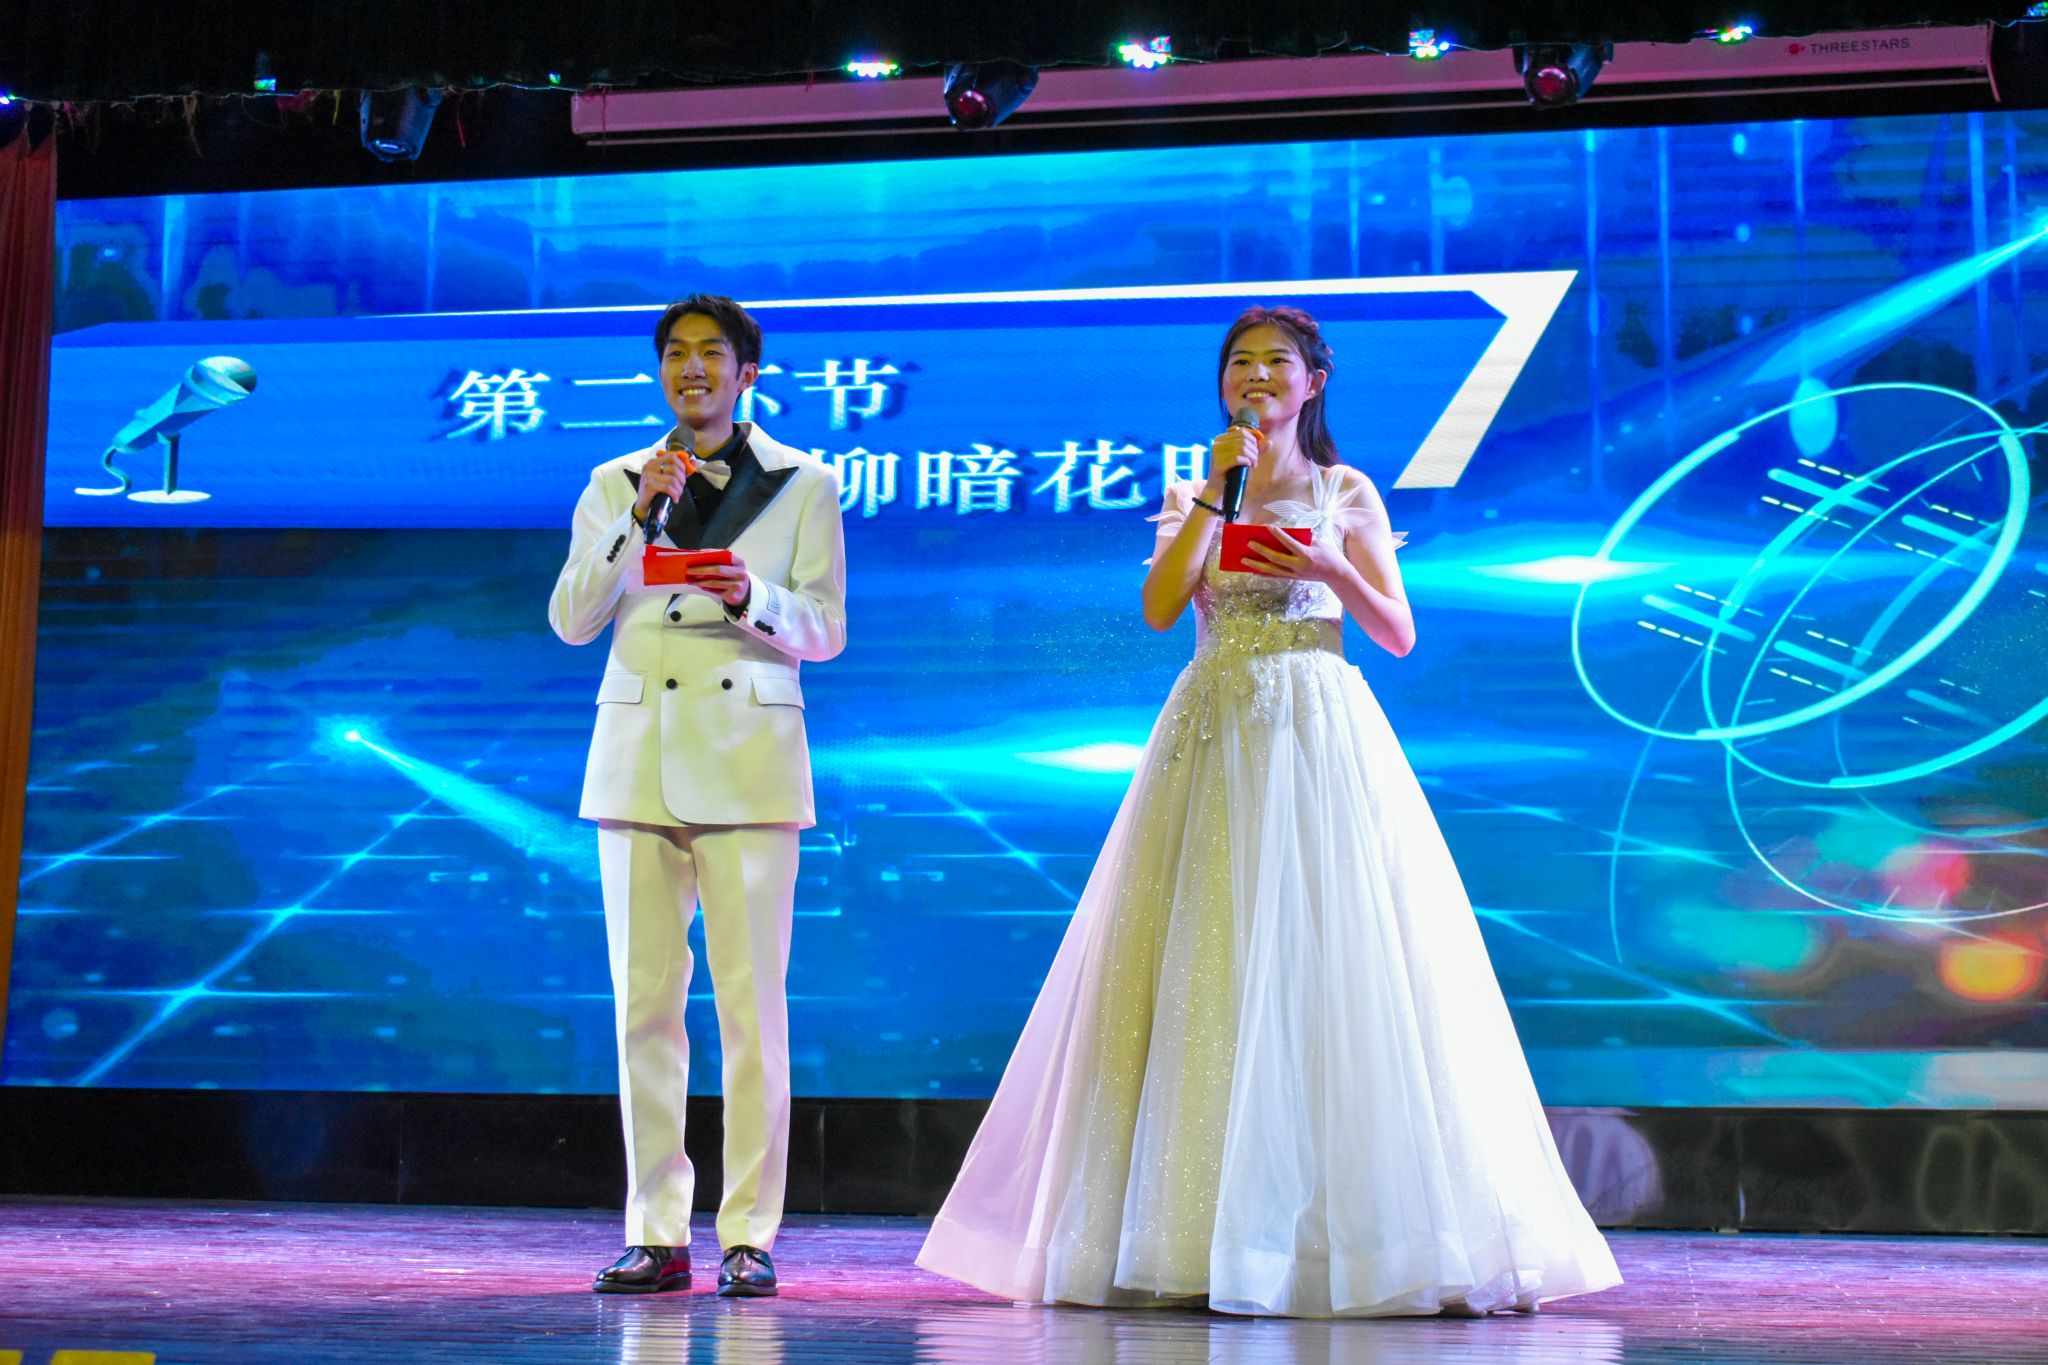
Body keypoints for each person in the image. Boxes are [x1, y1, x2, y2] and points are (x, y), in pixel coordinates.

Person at [916, 305, 1620, 1317]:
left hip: (1315, 730)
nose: (1255, 376)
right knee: (1207, 955)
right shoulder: (1196, 487)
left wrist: (1329, 566)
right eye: (1238, 363)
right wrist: (1214, 492)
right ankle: (1189, 1232)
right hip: (1212, 727)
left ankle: (1341, 1239)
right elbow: (1161, 608)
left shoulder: (1345, 489)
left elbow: (1397, 631)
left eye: (1275, 363)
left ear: (1312, 381)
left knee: (1327, 962)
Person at [548, 294, 847, 1297]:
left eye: (711, 354)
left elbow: (826, 628)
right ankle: (656, 1230)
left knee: (751, 1010)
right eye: (675, 354)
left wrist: (749, 596)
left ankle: (750, 1233)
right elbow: (571, 618)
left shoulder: (805, 482)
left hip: (749, 761)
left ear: (746, 373)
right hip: (638, 759)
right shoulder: (616, 481)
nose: (692, 369)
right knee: (644, 1006)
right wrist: (637, 518)